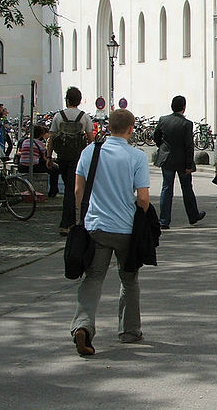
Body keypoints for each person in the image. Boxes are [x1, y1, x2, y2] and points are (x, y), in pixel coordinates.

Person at [69, 108, 151, 356]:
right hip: (125, 228)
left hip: (97, 227)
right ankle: (129, 331)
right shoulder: (136, 156)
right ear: (131, 128)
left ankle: (82, 326)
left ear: (108, 127)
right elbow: (144, 198)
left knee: (93, 278)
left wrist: (83, 217)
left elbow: (77, 190)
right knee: (129, 280)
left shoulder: (91, 151)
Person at [47, 86, 94, 236]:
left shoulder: (58, 116)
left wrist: (48, 157)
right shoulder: (84, 117)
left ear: (67, 100)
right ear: (79, 101)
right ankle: (73, 222)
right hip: (78, 157)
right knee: (74, 190)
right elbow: (91, 138)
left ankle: (67, 223)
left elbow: (51, 139)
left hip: (62, 158)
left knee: (69, 189)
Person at [153, 95, 205, 229]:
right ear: (184, 107)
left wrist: (163, 147)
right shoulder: (186, 124)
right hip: (182, 160)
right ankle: (193, 216)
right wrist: (189, 165)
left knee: (166, 188)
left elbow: (156, 136)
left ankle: (164, 220)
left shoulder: (163, 120)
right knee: (187, 188)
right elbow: (189, 145)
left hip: (167, 158)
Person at [17, 124, 60, 196]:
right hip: (33, 167)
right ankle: (53, 191)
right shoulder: (40, 144)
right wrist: (53, 163)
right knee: (55, 170)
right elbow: (45, 159)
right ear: (41, 134)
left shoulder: (25, 141)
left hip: (22, 166)